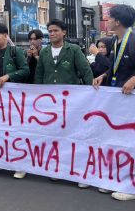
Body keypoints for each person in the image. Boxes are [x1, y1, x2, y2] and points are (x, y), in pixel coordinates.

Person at [93, 4, 135, 200]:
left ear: (117, 21)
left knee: (134, 142)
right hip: (119, 101)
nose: (107, 21)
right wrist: (104, 75)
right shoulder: (115, 41)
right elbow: (117, 69)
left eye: (109, 18)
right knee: (119, 141)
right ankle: (119, 179)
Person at [35, 19, 93, 188]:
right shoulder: (45, 52)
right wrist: (38, 98)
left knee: (75, 136)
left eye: (55, 31)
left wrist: (91, 95)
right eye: (50, 31)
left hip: (72, 103)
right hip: (50, 104)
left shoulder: (73, 50)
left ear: (63, 32)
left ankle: (81, 172)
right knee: (55, 136)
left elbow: (86, 72)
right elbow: (39, 76)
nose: (52, 34)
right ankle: (58, 167)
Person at [0, 23, 30, 178]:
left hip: (12, 100)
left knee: (15, 132)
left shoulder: (16, 52)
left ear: (5, 35)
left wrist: (9, 76)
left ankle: (20, 165)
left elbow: (25, 70)